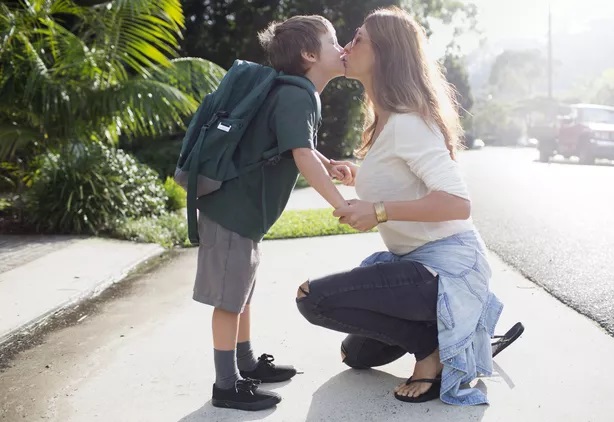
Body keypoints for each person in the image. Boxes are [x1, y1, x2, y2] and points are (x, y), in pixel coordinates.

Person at [295, 6, 507, 406]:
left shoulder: (410, 122)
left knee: (313, 299)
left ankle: (433, 350)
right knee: (355, 356)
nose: (347, 45)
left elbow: (457, 203)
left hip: (443, 271)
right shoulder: (387, 120)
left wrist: (377, 211)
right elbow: (405, 178)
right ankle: (449, 336)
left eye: (359, 39)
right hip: (412, 266)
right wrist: (357, 175)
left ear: (386, 54)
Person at [196, 15, 351, 411]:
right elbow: (301, 156)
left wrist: (327, 160)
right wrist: (341, 203)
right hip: (232, 211)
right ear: (310, 54)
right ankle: (226, 386)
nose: (342, 47)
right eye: (334, 41)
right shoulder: (298, 94)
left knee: (242, 293)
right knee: (229, 300)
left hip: (243, 212)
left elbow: (300, 145)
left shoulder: (297, 92)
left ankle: (245, 363)